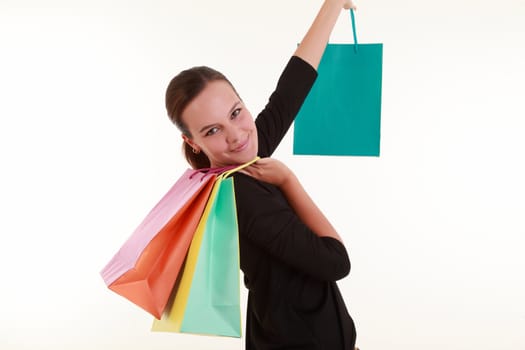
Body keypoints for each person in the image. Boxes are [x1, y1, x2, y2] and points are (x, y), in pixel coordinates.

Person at [165, 1, 358, 348]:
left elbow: (291, 89)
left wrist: (332, 5)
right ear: (190, 142)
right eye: (212, 130)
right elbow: (336, 261)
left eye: (236, 112)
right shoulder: (242, 195)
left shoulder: (239, 165)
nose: (237, 135)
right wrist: (288, 181)